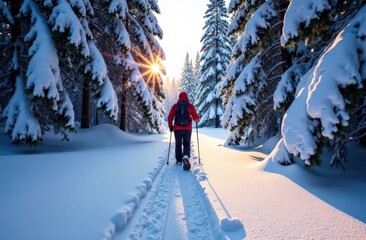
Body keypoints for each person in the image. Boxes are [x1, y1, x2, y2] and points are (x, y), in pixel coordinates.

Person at [168, 92, 200, 166]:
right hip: (187, 129)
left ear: (179, 97)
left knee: (178, 144)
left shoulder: (175, 106)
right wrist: (198, 118)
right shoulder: (190, 106)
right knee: (186, 143)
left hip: (177, 129)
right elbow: (195, 117)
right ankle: (185, 157)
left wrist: (171, 127)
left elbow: (170, 118)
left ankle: (179, 160)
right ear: (186, 97)